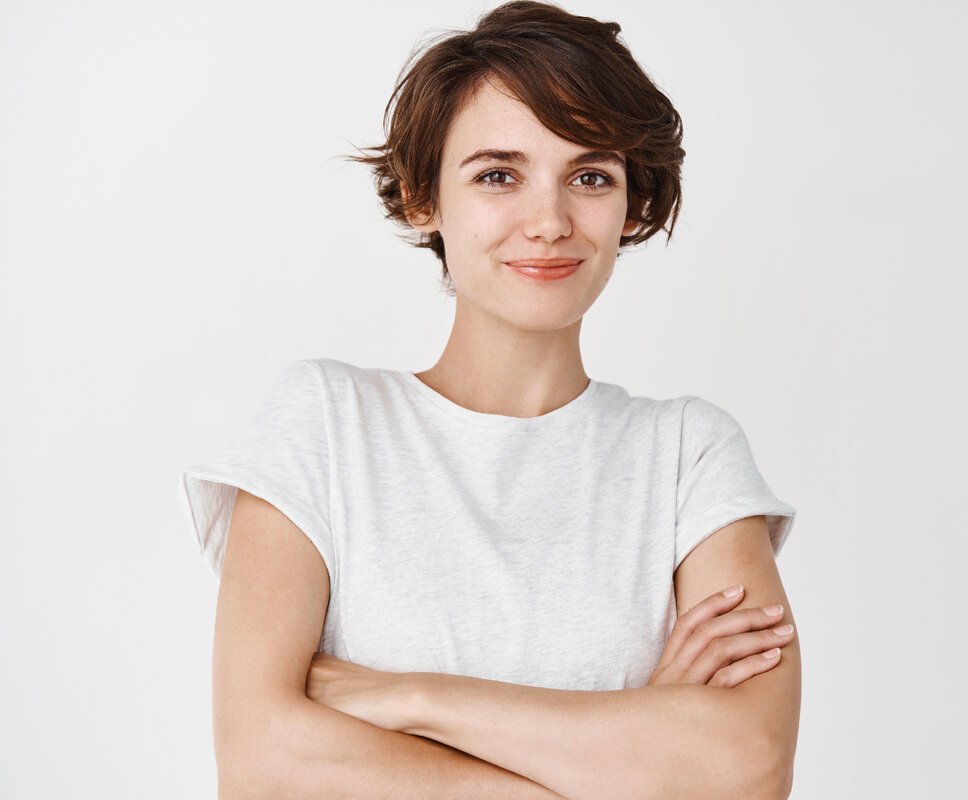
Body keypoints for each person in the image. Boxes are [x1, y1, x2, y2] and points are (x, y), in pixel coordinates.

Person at [177, 2, 801, 798]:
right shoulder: (327, 425)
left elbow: (745, 767)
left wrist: (412, 698)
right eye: (498, 175)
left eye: (590, 176)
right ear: (421, 197)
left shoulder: (688, 455)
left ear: (632, 206)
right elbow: (262, 766)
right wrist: (633, 747)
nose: (548, 221)